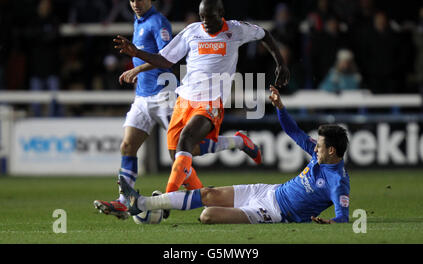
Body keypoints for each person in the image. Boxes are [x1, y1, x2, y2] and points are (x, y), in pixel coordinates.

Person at [94, 0, 262, 220]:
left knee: (186, 149)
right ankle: (124, 201)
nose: (135, 5)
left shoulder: (158, 23)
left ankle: (233, 146)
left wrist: (138, 65)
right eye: (131, 1)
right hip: (142, 96)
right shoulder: (138, 22)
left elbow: (167, 59)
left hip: (164, 94)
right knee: (128, 146)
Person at [114, 0, 290, 196]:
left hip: (211, 101)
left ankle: (165, 198)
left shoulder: (236, 29)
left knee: (185, 141)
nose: (205, 22)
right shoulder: (192, 32)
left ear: (221, 14)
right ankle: (206, 193)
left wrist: (281, 63)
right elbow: (165, 60)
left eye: (210, 17)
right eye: (202, 16)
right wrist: (137, 53)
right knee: (178, 155)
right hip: (185, 98)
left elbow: (264, 34)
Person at [118, 85, 350, 224]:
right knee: (208, 192)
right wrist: (280, 107)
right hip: (269, 190)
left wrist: (329, 221)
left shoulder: (337, 181)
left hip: (274, 212)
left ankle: (159, 204)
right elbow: (293, 131)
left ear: (332, 151)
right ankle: (141, 203)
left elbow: (343, 216)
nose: (314, 148)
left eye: (319, 146)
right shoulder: (319, 154)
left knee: (207, 215)